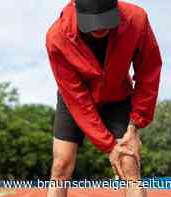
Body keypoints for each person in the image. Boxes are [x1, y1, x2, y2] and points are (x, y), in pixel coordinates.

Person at [45, 0, 162, 196]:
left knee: (129, 165)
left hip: (118, 95)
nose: (100, 28)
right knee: (61, 165)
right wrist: (109, 146)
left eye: (105, 19)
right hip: (75, 98)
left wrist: (134, 125)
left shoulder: (136, 19)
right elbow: (79, 101)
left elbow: (148, 72)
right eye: (92, 21)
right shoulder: (56, 38)